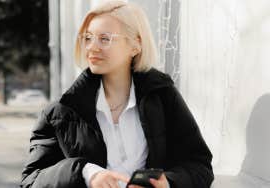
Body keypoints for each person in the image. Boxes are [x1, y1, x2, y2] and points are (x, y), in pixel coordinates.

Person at [20, 1, 214, 188]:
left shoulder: (163, 97)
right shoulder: (60, 113)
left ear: (135, 45)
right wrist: (86, 173)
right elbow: (31, 181)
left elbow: (199, 165)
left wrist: (168, 183)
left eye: (105, 39)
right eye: (88, 38)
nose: (92, 47)